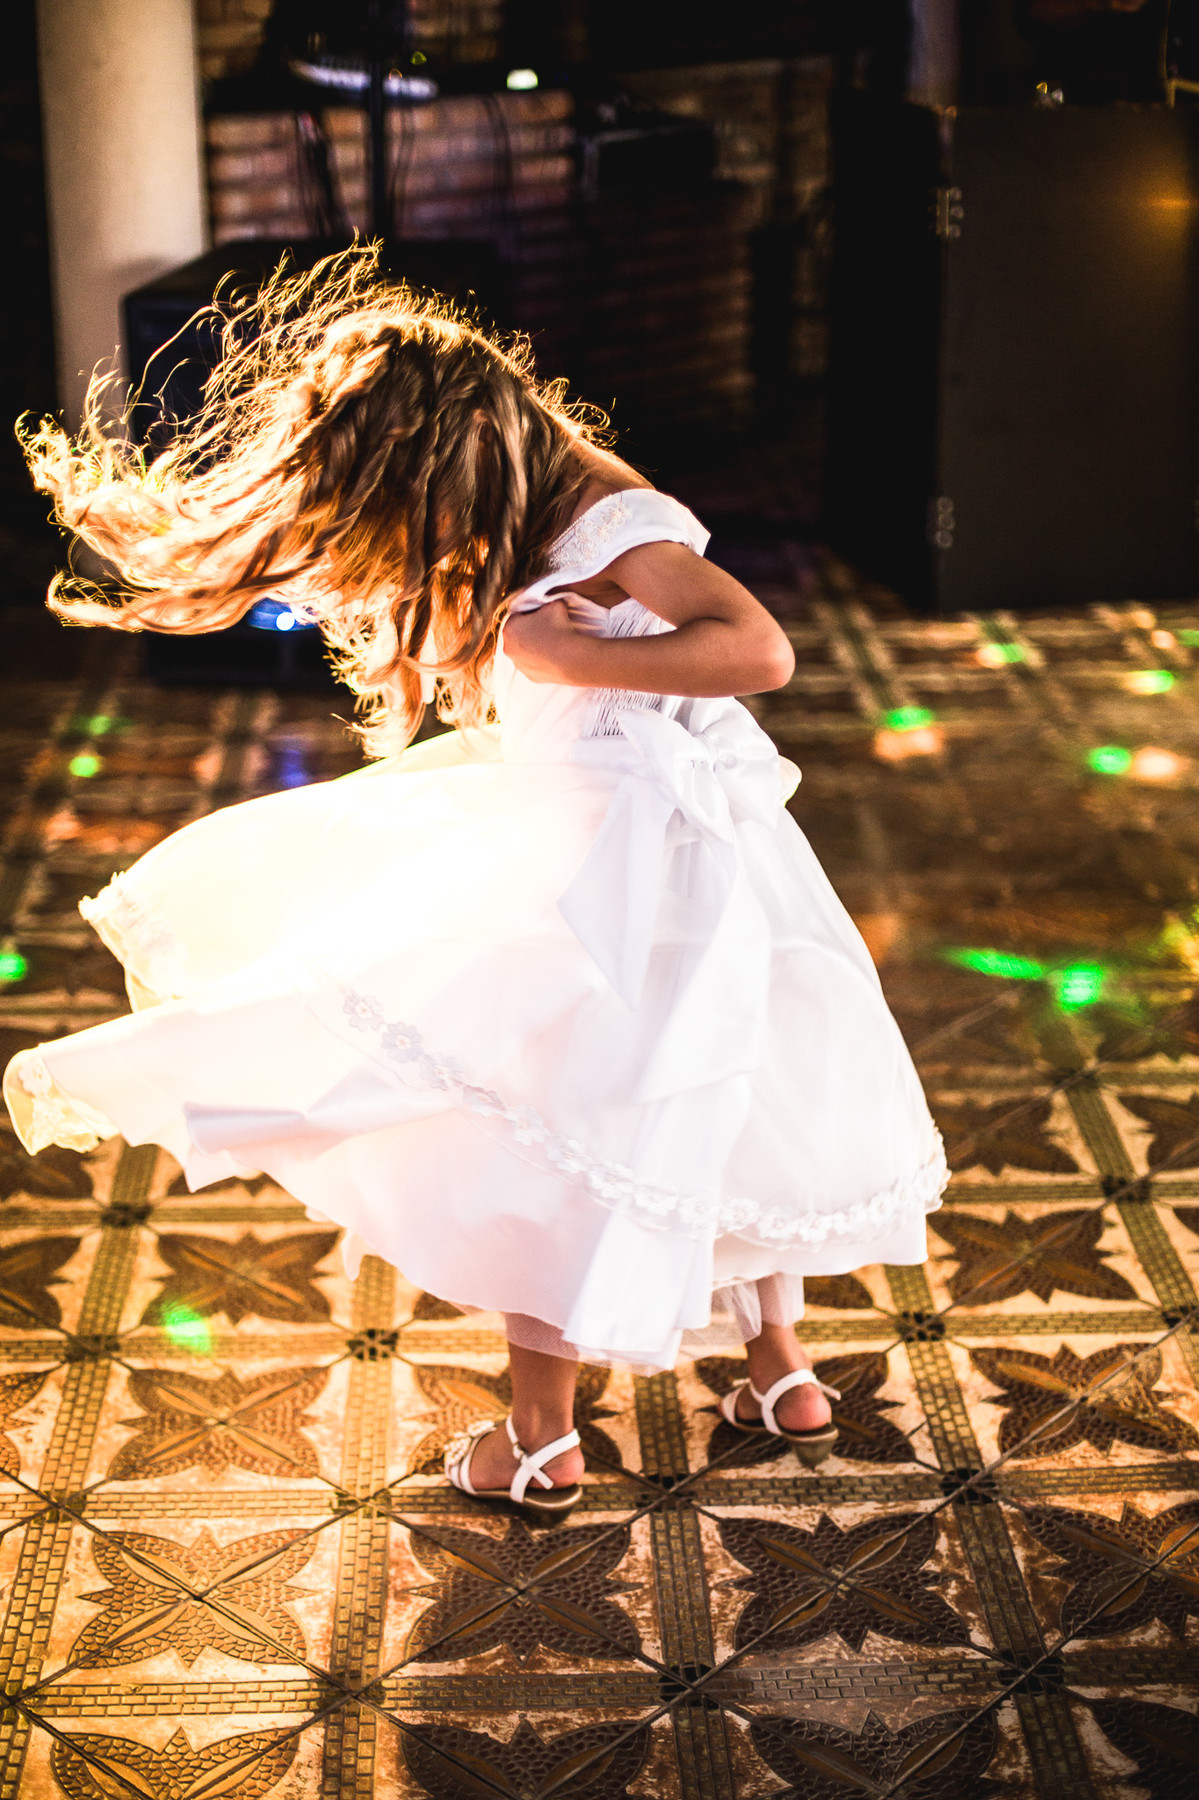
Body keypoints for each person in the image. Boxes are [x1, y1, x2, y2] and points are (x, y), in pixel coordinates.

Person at [5, 249, 947, 1519]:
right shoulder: (536, 509)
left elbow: (758, 651)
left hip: (621, 874)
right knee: (721, 1096)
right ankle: (779, 1373)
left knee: (556, 1125)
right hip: (651, 860)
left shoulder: (616, 521)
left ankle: (544, 1441)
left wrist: (559, 659)